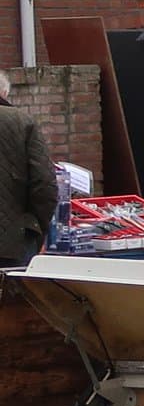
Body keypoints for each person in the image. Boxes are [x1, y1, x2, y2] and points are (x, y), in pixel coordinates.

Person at [0, 73, 58, 267]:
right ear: (4, 93)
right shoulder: (21, 121)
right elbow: (44, 184)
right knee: (15, 297)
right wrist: (37, 228)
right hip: (12, 242)